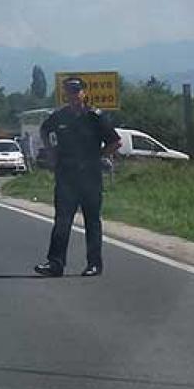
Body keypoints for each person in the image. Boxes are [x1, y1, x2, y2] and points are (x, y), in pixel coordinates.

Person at [34, 77, 121, 278]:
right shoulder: (60, 116)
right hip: (66, 176)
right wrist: (51, 153)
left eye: (76, 91)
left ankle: (94, 264)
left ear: (84, 92)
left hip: (90, 176)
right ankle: (55, 264)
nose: (73, 95)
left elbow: (115, 142)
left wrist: (99, 157)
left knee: (92, 222)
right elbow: (44, 130)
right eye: (69, 92)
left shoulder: (95, 116)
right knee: (62, 221)